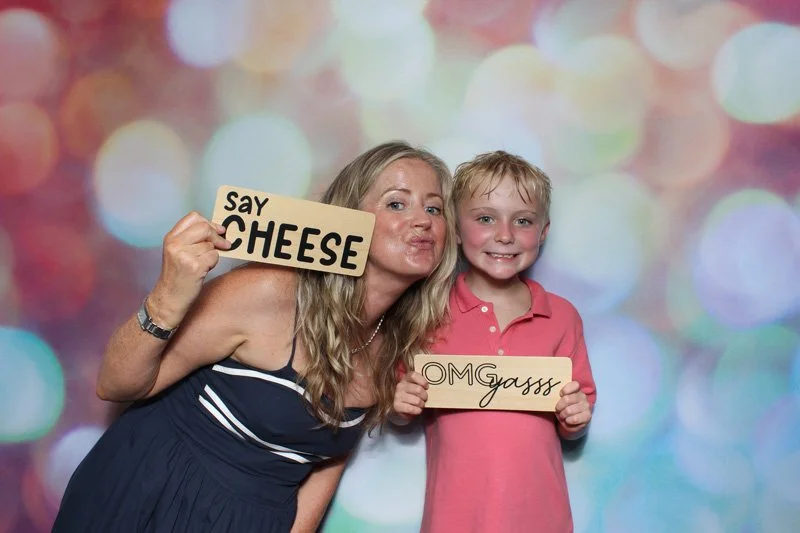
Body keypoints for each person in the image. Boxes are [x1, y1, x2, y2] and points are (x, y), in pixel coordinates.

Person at [52, 141, 458, 533]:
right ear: (349, 218)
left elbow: (327, 458)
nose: (423, 220)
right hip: (154, 495)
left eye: (434, 208)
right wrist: (166, 300)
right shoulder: (268, 293)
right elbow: (115, 384)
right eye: (396, 203)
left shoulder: (392, 344)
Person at [393, 151, 597, 533]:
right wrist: (401, 403)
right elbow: (399, 407)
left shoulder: (562, 317)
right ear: (456, 228)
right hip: (454, 520)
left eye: (523, 221)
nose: (505, 235)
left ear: (543, 232)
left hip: (540, 519)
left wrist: (575, 417)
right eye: (485, 218)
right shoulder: (428, 312)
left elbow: (576, 418)